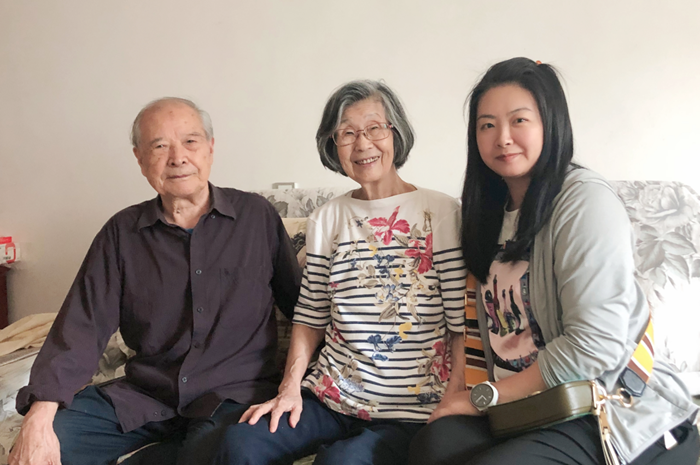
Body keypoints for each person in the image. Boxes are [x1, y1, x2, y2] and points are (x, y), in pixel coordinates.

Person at [408, 57, 700, 465]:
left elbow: (595, 345)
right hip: (527, 408)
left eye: (519, 120)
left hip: (604, 406)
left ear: (550, 123)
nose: (503, 138)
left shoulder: (583, 201)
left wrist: (484, 397)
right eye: (487, 125)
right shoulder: (486, 211)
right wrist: (466, 393)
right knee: (431, 447)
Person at [9, 97, 301, 465]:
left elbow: (304, 308)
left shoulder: (256, 217)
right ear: (140, 158)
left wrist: (307, 389)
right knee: (51, 444)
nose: (178, 157)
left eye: (190, 141)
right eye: (160, 146)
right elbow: (81, 326)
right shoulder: (121, 233)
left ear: (210, 148)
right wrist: (40, 414)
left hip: (231, 398)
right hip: (146, 396)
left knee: (215, 452)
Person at [222, 80, 467, 465]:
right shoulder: (327, 218)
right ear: (333, 145)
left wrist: (453, 400)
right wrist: (289, 390)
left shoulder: (441, 212)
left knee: (341, 462)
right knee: (240, 444)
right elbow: (310, 317)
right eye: (347, 133)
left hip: (410, 409)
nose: (363, 143)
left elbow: (460, 323)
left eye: (374, 128)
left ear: (396, 133)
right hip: (329, 398)